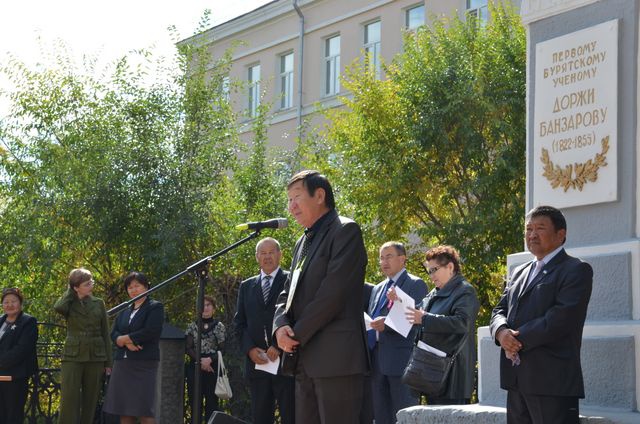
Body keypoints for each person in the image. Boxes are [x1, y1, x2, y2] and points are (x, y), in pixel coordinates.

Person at [273, 170, 368, 424]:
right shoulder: (302, 242)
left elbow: (332, 295)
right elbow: (287, 291)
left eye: (297, 197)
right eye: (289, 200)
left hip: (336, 360)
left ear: (319, 195)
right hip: (304, 358)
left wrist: (294, 335)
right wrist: (280, 326)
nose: (291, 206)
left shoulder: (345, 231)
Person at [490, 205, 593, 424]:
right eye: (528, 229)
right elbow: (499, 310)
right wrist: (501, 332)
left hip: (551, 381)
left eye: (540, 228)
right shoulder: (519, 271)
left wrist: (515, 340)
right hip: (517, 379)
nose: (532, 235)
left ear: (560, 234)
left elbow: (560, 319)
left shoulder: (575, 269)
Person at [392, 244, 479, 404]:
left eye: (434, 270)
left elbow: (462, 323)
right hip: (430, 372)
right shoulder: (434, 293)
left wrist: (424, 319)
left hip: (453, 375)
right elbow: (417, 315)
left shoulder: (465, 291)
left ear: (450, 267)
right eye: (429, 271)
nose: (431, 276)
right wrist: (400, 302)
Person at [233, 237, 295, 424]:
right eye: (263, 253)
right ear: (257, 257)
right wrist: (250, 350)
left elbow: (298, 317)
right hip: (258, 365)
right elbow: (239, 324)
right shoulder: (246, 286)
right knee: (261, 417)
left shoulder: (291, 281)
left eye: (271, 252)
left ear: (280, 255)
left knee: (291, 416)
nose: (267, 257)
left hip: (286, 364)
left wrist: (278, 345)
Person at [367, 241, 427, 424]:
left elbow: (417, 320)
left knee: (403, 414)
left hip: (402, 361)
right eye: (381, 258)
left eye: (389, 257)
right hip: (376, 360)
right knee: (381, 414)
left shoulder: (415, 284)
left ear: (402, 259)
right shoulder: (377, 288)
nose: (384, 262)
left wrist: (387, 324)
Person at [103, 271, 164, 424]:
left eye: (137, 286)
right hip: (123, 364)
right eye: (130, 287)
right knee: (125, 410)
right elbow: (113, 332)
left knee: (144, 409)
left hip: (144, 363)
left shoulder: (155, 306)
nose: (133, 290)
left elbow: (151, 330)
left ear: (146, 287)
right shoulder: (125, 309)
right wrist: (125, 342)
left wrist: (125, 339)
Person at [54, 268, 112, 424]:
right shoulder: (68, 303)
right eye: (87, 284)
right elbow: (58, 307)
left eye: (91, 282)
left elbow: (105, 333)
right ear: (76, 287)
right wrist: (70, 291)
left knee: (90, 401)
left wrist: (108, 363)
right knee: (69, 399)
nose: (91, 285)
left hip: (95, 356)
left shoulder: (98, 303)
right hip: (72, 356)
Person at [0, 287, 38, 424]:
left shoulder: (28, 322)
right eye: (6, 302)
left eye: (13, 301)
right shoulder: (1, 320)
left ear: (20, 303)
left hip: (16, 377)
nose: (9, 305)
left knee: (13, 416)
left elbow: (21, 350)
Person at [186, 295, 226, 423]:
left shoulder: (219, 326)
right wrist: (200, 361)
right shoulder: (192, 326)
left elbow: (222, 349)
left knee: (212, 403)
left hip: (212, 368)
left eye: (208, 305)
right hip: (195, 367)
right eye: (202, 305)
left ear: (214, 308)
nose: (205, 308)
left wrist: (209, 360)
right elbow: (188, 348)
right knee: (195, 403)